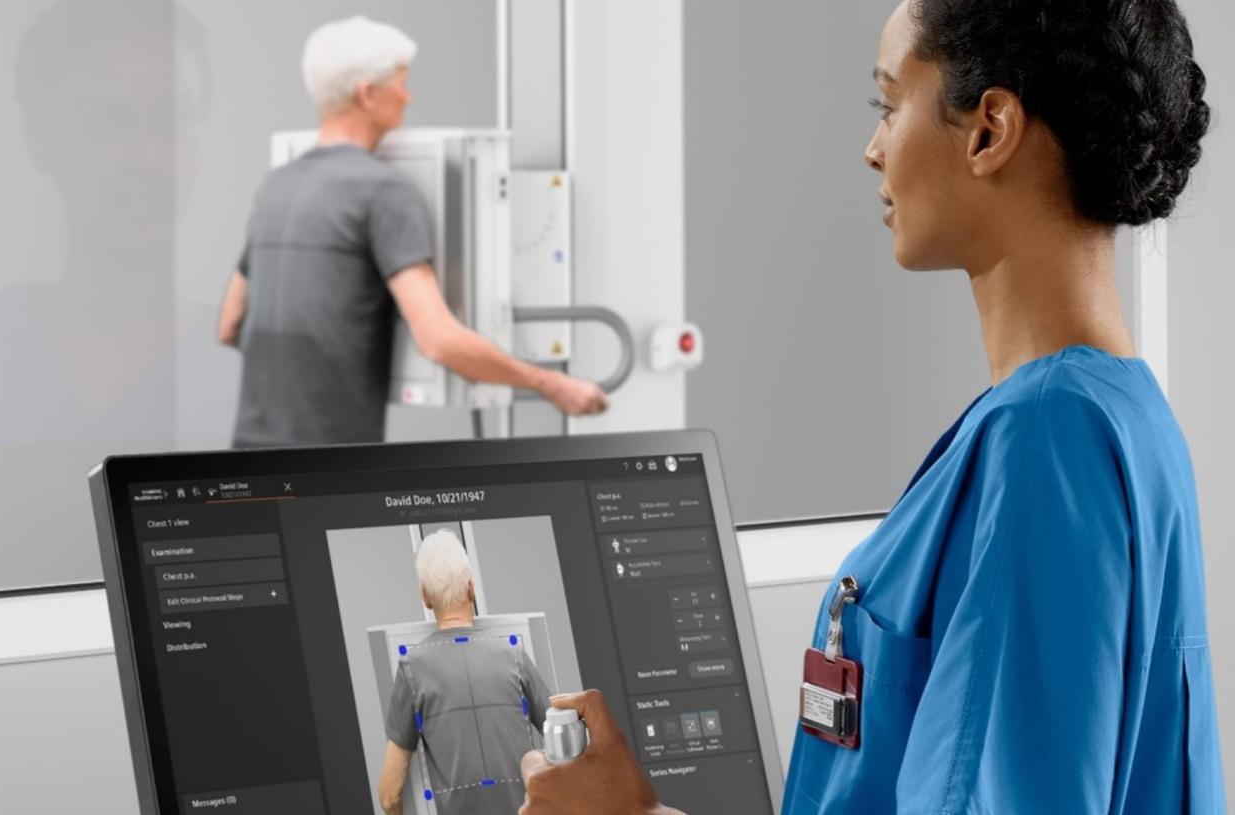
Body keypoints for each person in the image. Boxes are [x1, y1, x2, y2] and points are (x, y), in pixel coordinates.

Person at [518, 0, 1221, 813]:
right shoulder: (1122, 413)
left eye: (889, 104)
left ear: (990, 129)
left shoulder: (1044, 438)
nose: (873, 148)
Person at [217, 16, 607, 448]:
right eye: (401, 81)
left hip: (248, 455)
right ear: (368, 93)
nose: (408, 94)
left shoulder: (277, 184)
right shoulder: (383, 191)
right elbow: (439, 340)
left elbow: (230, 325)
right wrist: (551, 384)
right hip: (327, 467)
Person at [379, 530, 553, 814]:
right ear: (471, 588)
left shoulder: (412, 669)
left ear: (425, 597)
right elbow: (568, 750)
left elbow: (389, 795)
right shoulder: (514, 656)